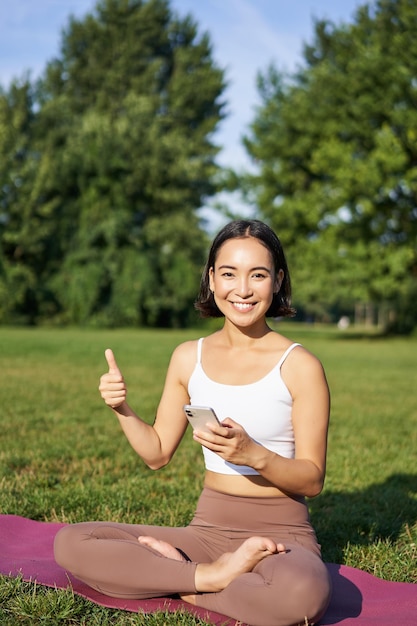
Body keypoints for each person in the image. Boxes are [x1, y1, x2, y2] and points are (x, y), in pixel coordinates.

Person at [54, 219, 331, 626]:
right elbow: (156, 454)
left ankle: (185, 584)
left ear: (277, 281)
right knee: (72, 542)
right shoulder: (188, 357)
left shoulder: (300, 365)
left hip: (281, 538)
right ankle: (209, 575)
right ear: (211, 279)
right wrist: (122, 410)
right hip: (207, 534)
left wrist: (251, 453)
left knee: (300, 597)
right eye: (229, 273)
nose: (242, 289)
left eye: (258, 275)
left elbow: (312, 480)